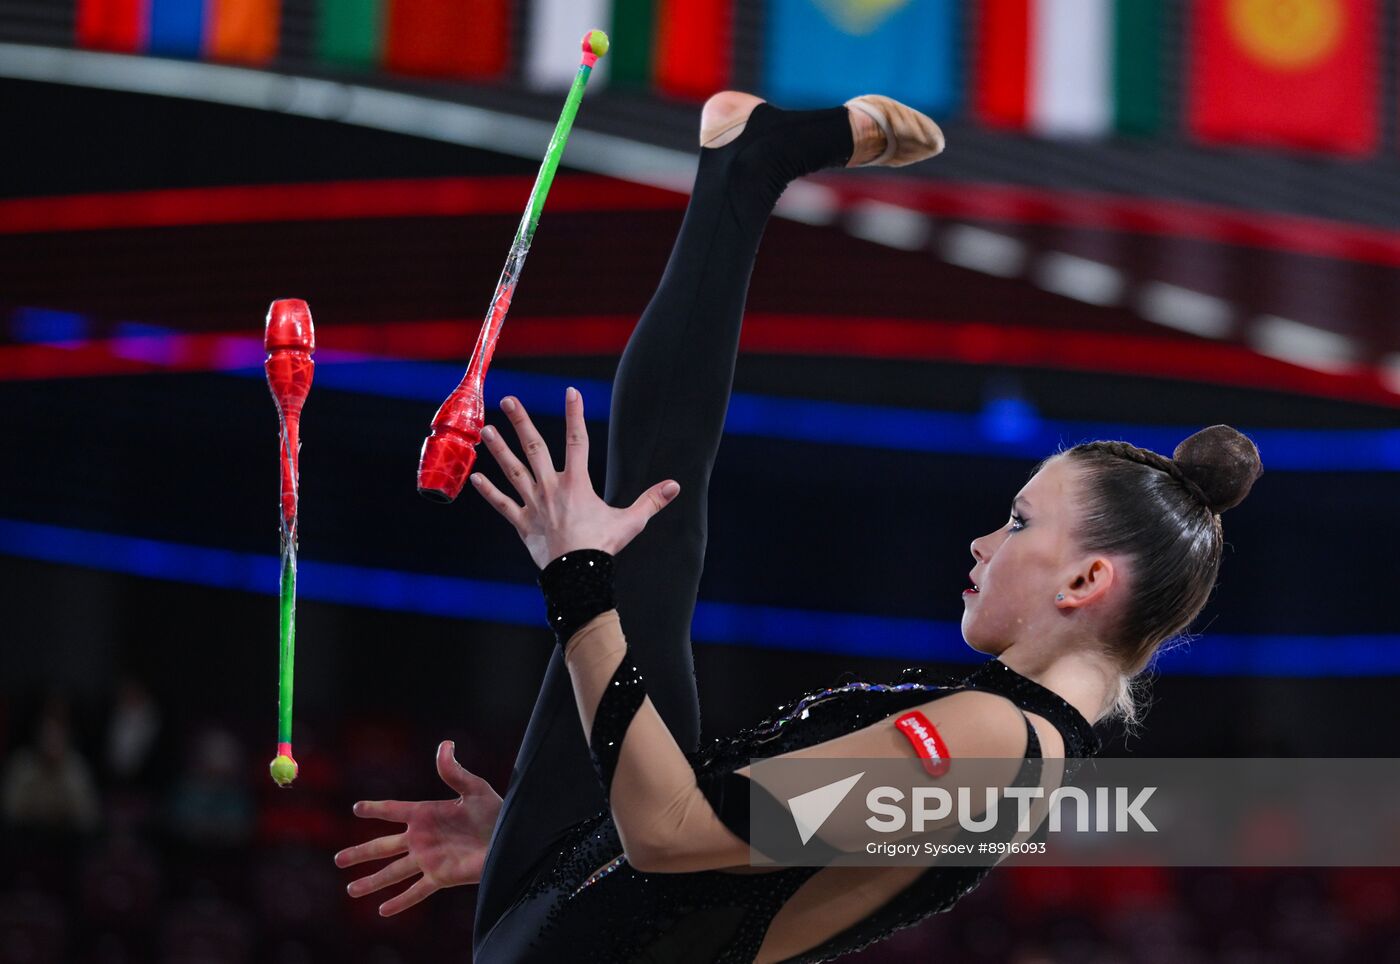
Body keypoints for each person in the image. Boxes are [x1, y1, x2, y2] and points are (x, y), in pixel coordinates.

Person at [335, 90, 1263, 961]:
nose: (984, 545)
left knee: (643, 540)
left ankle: (746, 170)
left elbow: (673, 835)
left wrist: (578, 585)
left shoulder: (994, 746)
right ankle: (743, 169)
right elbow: (686, 843)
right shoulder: (1007, 742)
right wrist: (547, 849)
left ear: (1085, 583)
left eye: (1019, 523)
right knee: (654, 520)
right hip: (560, 907)